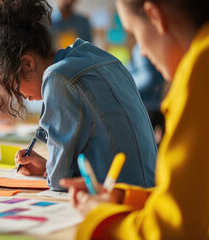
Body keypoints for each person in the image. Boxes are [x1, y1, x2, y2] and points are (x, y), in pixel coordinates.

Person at [61, 0, 209, 239]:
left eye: (134, 33)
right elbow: (194, 201)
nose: (141, 51)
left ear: (155, 16)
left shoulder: (201, 69)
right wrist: (122, 198)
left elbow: (172, 231)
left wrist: (100, 218)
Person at [0, 0, 157, 191]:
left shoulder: (58, 77)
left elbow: (59, 181)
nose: (21, 96)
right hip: (147, 189)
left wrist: (54, 168)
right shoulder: (97, 56)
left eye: (14, 85)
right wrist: (50, 165)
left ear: (28, 64)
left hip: (121, 200)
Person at [128, 44, 166, 144]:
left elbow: (148, 78)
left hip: (148, 107)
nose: (143, 52)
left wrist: (125, 84)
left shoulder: (141, 47)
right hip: (157, 104)